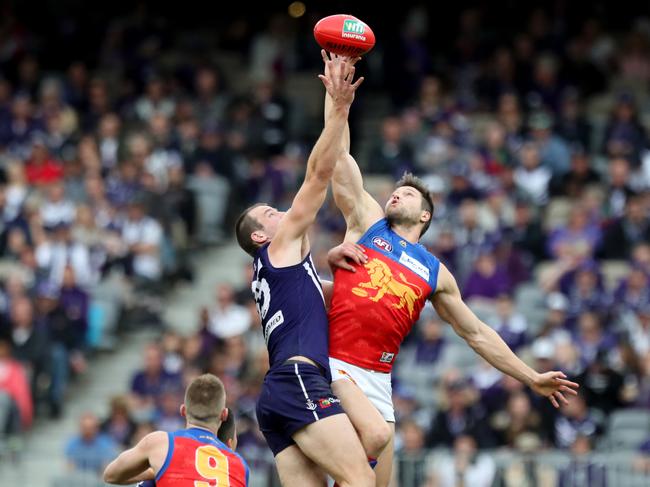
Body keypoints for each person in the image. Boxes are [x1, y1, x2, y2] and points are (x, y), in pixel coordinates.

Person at [321, 51, 580, 487]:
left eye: (408, 195)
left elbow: (477, 333)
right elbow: (338, 159)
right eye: (396, 192)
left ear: (426, 216)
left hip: (378, 380)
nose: (396, 196)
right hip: (335, 366)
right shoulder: (368, 223)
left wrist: (531, 376)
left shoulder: (435, 272)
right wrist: (337, 100)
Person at [234, 56, 373, 486]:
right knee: (362, 478)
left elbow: (321, 298)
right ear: (261, 236)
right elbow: (317, 175)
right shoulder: (279, 245)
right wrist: (338, 107)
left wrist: (331, 269)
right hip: (299, 377)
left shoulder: (278, 268)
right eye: (271, 213)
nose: (282, 214)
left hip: (277, 391)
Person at [103, 374, 249, 486]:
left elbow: (110, 475)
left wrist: (154, 472)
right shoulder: (241, 466)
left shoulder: (160, 443)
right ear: (224, 415)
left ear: (183, 410)